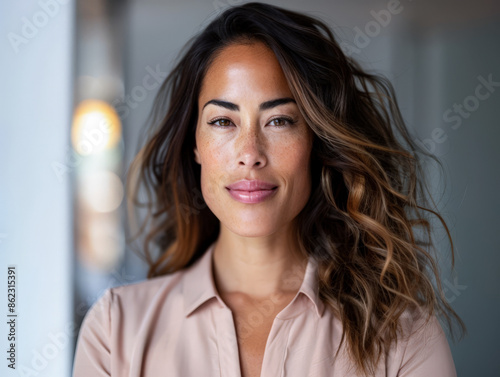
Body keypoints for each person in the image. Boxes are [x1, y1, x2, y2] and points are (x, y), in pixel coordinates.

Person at [72, 2, 466, 376]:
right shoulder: (115, 330)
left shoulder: (401, 334)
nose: (250, 154)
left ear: (317, 141)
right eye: (223, 122)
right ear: (194, 145)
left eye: (279, 121)